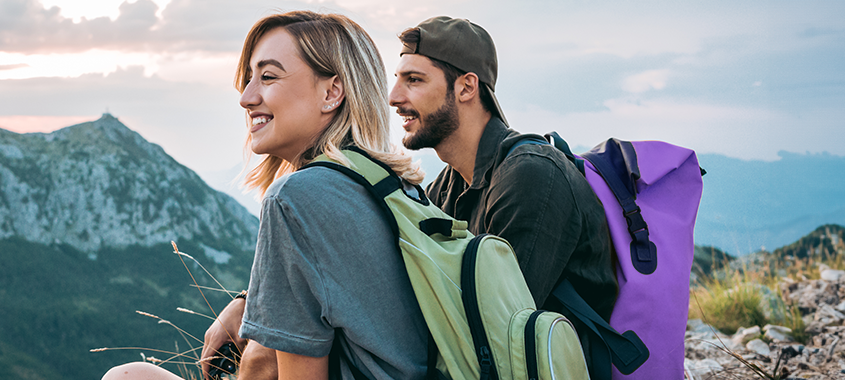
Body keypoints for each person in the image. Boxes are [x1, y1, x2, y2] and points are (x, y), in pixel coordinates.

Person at [102, 10, 432, 380]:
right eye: (248, 79)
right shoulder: (394, 183)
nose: (246, 98)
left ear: (331, 92)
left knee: (126, 377)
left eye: (268, 77)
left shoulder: (296, 196)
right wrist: (249, 303)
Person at [387, 16, 618, 332]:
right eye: (398, 79)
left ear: (467, 87)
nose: (394, 98)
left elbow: (500, 326)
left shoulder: (532, 175)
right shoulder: (448, 185)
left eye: (414, 80)